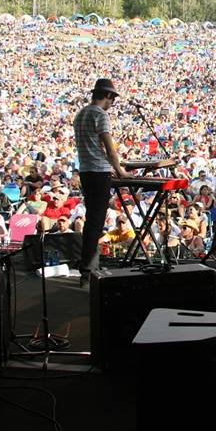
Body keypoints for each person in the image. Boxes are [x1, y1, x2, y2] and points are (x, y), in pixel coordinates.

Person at [73, 78, 127, 287]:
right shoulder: (100, 114)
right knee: (96, 221)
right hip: (100, 172)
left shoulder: (80, 114)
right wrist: (120, 170)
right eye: (112, 98)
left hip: (86, 171)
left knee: (92, 220)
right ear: (108, 96)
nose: (112, 102)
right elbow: (108, 146)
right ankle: (88, 270)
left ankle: (89, 266)